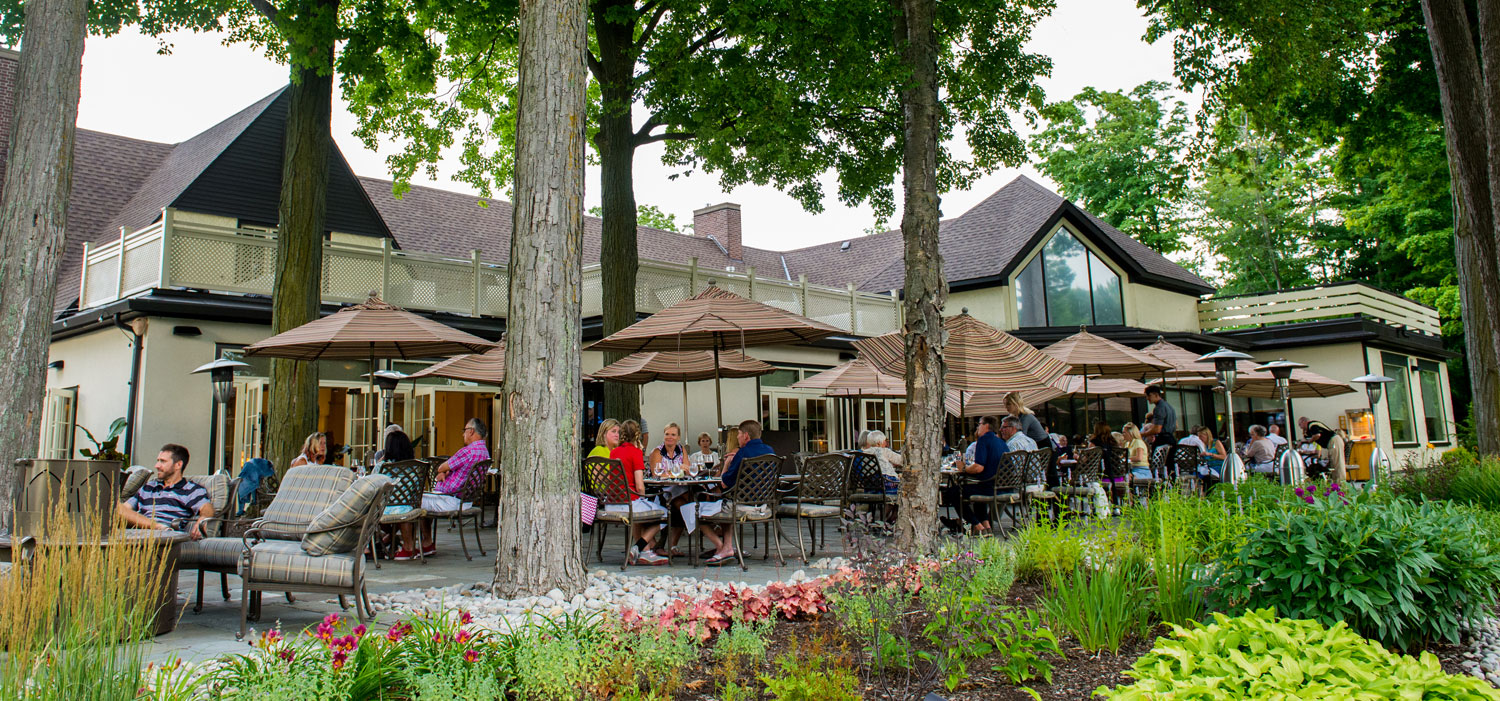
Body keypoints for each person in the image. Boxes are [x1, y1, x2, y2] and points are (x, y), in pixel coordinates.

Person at [683, 419, 775, 565]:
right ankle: (726, 546)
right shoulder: (770, 451)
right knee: (726, 503)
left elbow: (724, 484)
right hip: (764, 506)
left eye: (739, 434)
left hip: (740, 507)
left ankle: (722, 546)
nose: (737, 437)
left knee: (690, 508)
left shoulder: (743, 453)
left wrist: (726, 464)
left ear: (745, 436)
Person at [403, 418, 490, 558]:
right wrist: (446, 471)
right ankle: (426, 543)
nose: (463, 434)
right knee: (425, 499)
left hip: (451, 500)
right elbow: (454, 468)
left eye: (464, 430)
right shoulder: (484, 452)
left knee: (411, 500)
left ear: (471, 431)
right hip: (466, 500)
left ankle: (409, 546)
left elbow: (441, 467)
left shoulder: (468, 451)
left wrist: (444, 470)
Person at [116, 444, 213, 540]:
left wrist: (203, 518)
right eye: (158, 461)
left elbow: (207, 507)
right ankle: (157, 526)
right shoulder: (149, 487)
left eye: (162, 461)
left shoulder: (190, 489)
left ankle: (159, 528)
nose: (157, 466)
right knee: (116, 507)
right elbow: (123, 509)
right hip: (140, 532)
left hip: (164, 536)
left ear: (178, 465)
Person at [611, 420, 669, 566]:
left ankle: (645, 552)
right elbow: (639, 486)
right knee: (664, 513)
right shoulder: (635, 452)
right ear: (638, 435)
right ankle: (639, 547)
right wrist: (643, 497)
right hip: (629, 502)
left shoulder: (614, 452)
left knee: (640, 513)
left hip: (613, 503)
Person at [942, 416, 1008, 533]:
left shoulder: (983, 440)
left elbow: (978, 468)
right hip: (1002, 487)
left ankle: (977, 526)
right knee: (975, 489)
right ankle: (986, 525)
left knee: (954, 492)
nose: (978, 427)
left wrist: (963, 468)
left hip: (989, 488)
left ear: (986, 426)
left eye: (979, 424)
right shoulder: (1002, 442)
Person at [650, 423, 692, 557]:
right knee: (682, 503)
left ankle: (672, 545)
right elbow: (656, 474)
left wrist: (681, 469)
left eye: (673, 434)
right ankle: (700, 522)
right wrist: (676, 471)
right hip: (661, 490)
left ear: (678, 437)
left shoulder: (681, 449)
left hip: (679, 487)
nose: (670, 437)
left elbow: (687, 469)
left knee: (685, 501)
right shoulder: (657, 452)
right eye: (667, 434)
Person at [862, 429, 903, 497]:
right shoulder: (884, 451)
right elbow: (901, 460)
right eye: (884, 441)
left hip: (870, 486)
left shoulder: (864, 453)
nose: (886, 443)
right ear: (879, 443)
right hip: (887, 485)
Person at [1141, 385, 1178, 451]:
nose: (1147, 398)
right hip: (1172, 439)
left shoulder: (1159, 408)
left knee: (1156, 457)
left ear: (1156, 394)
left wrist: (1142, 434)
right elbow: (1176, 425)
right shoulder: (1170, 407)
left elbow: (1157, 429)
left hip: (1162, 440)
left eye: (1149, 395)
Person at [1195, 426, 1228, 493]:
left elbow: (1224, 456)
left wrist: (1211, 454)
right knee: (1196, 474)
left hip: (1218, 467)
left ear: (1206, 435)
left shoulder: (1216, 442)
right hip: (1210, 467)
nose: (1200, 438)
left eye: (1201, 436)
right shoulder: (1206, 445)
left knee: (1203, 476)